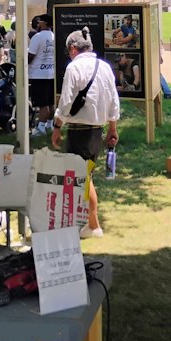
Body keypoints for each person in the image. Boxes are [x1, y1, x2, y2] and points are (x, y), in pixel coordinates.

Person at [52, 27, 120, 239]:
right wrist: (112, 128)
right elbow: (113, 100)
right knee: (84, 175)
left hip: (79, 130)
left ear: (73, 49)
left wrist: (56, 126)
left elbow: (66, 100)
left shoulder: (74, 68)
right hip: (96, 131)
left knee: (82, 177)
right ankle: (86, 222)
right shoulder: (105, 67)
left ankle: (93, 224)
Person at [28, 14, 56, 136]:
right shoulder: (54, 37)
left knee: (43, 104)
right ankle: (49, 125)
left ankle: (40, 129)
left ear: (44, 23)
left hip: (38, 74)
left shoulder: (37, 37)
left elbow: (30, 56)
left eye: (39, 22)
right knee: (51, 102)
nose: (38, 24)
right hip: (51, 73)